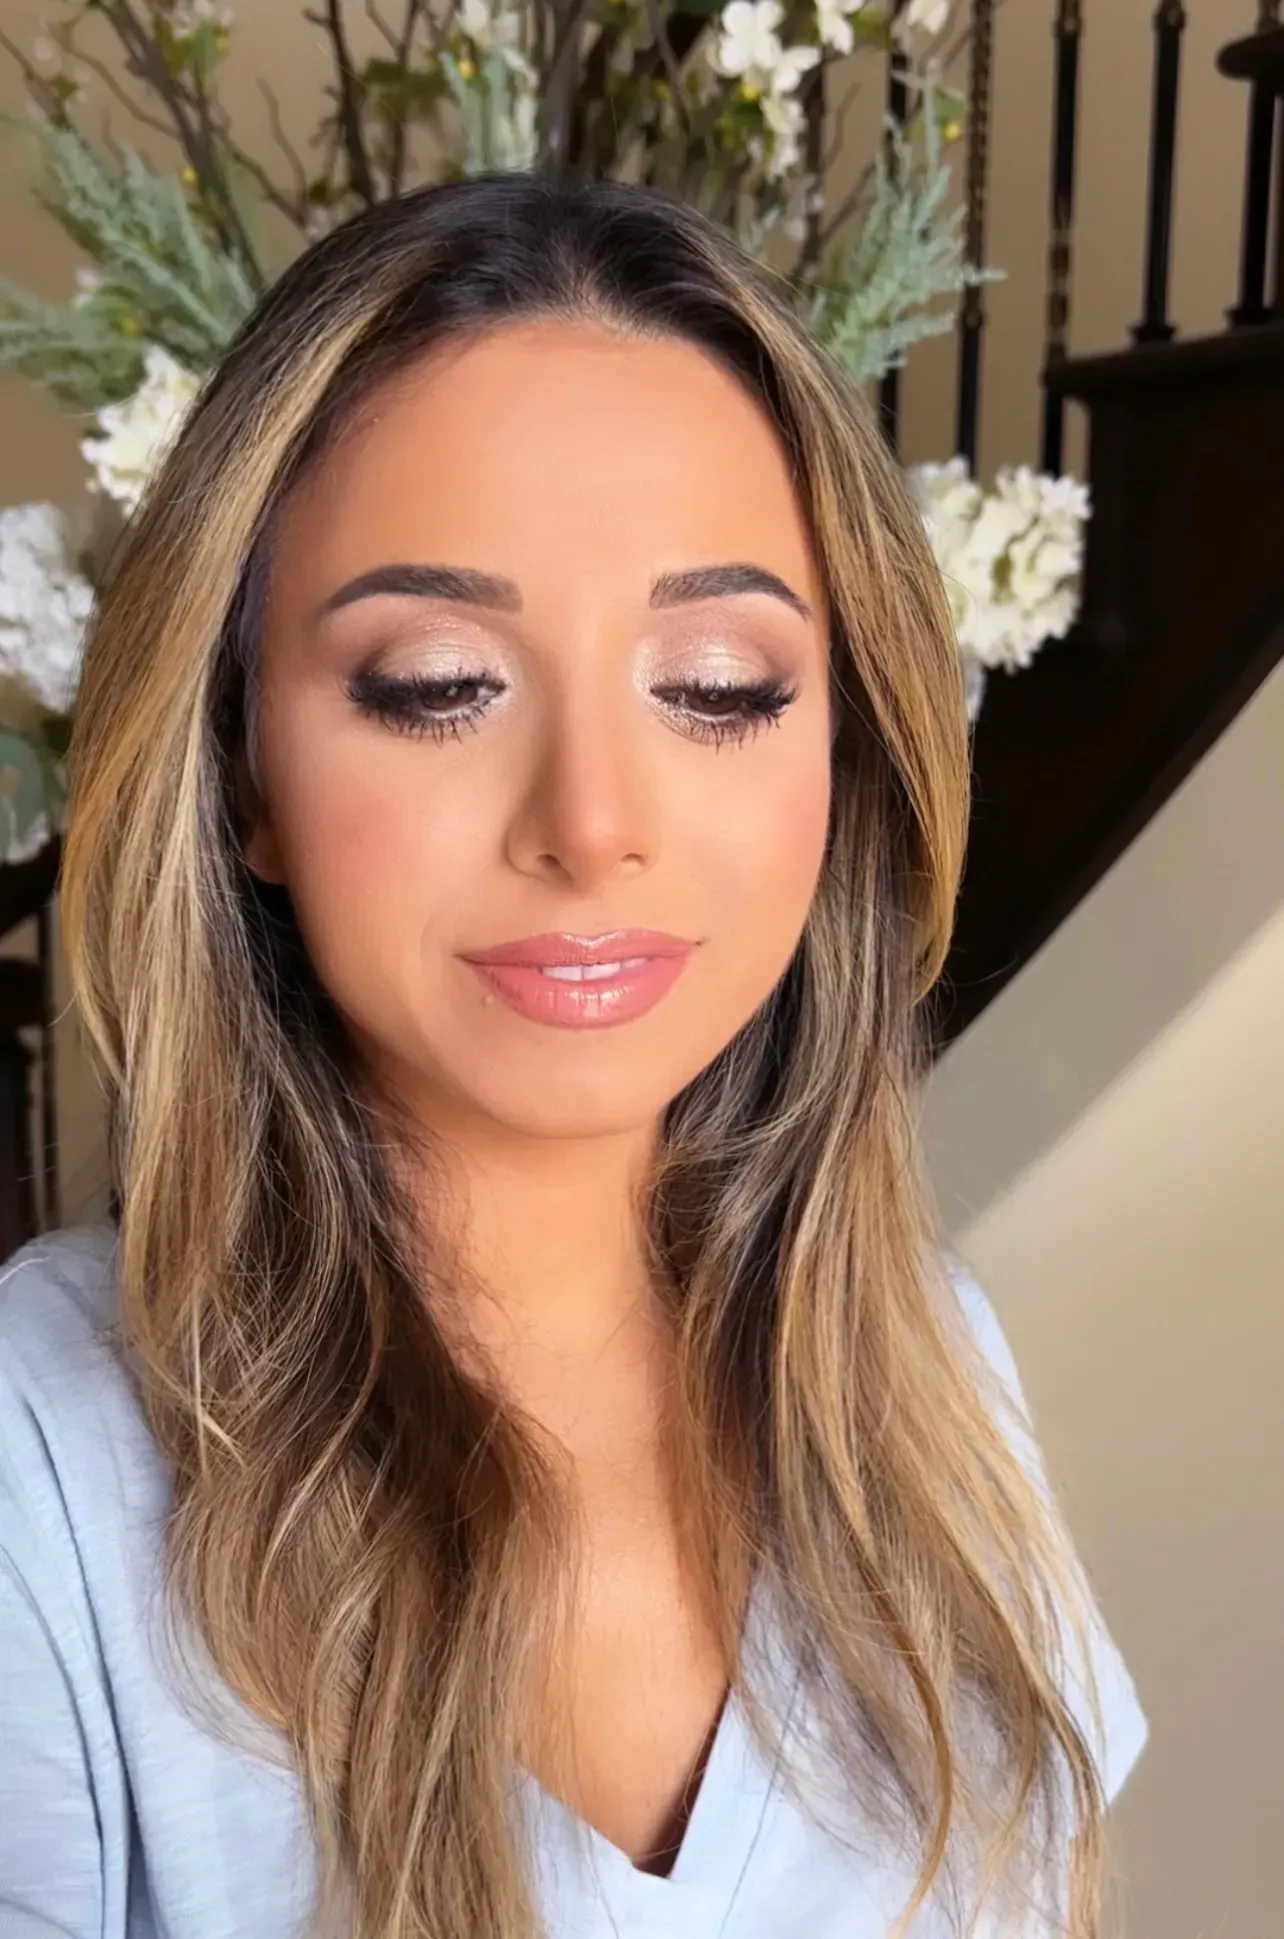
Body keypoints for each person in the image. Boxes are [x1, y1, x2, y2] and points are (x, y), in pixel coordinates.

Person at [0, 173, 1145, 1939]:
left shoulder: (929, 1376)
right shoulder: (43, 1466)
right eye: (441, 682)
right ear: (240, 774)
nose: (595, 824)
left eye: (717, 685)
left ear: (842, 748)